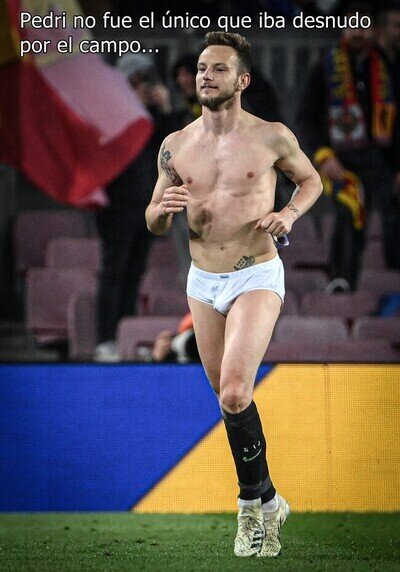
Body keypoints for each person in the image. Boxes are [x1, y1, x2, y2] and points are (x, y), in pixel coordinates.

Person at [146, 32, 322, 557]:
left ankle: (249, 511)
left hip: (255, 274)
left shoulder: (271, 136)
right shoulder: (175, 144)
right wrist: (162, 211)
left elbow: (311, 182)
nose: (206, 75)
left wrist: (288, 213)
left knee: (235, 393)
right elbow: (153, 217)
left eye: (219, 68)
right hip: (203, 281)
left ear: (242, 80)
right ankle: (270, 499)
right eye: (203, 67)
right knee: (228, 402)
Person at [298, 2, 399, 291]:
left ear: (374, 31)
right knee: (348, 213)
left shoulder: (389, 67)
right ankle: (342, 282)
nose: (357, 31)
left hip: (384, 161)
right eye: (351, 25)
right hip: (342, 162)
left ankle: (394, 282)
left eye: (364, 25)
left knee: (393, 214)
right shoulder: (324, 67)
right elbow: (306, 118)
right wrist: (323, 155)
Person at [94, 54, 182, 362]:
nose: (142, 86)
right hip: (116, 203)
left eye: (146, 79)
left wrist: (165, 108)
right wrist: (132, 105)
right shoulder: (111, 112)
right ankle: (105, 340)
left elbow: (174, 150)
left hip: (147, 203)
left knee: (135, 272)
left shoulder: (154, 117)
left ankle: (124, 336)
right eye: (135, 81)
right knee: (114, 271)